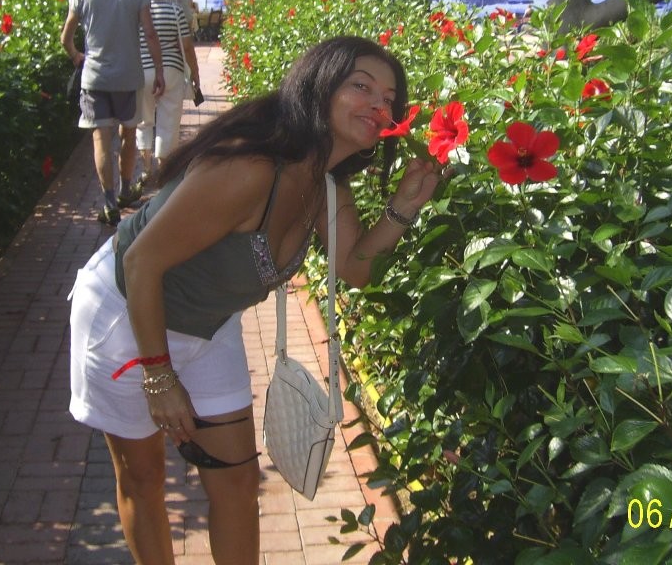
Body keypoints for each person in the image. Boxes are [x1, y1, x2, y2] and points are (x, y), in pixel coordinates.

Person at [68, 36, 444, 565]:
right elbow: (141, 263)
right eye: (361, 87)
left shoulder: (326, 184)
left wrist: (404, 206)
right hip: (127, 315)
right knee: (143, 477)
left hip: (210, 326)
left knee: (238, 482)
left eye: (389, 99)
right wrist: (159, 378)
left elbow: (355, 269)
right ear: (319, 86)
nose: (379, 106)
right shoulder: (252, 167)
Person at [62, 0, 165, 225]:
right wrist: (158, 70)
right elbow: (150, 34)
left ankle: (109, 204)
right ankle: (124, 190)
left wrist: (76, 56)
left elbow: (66, 37)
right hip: (128, 77)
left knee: (101, 140)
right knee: (128, 135)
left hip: (94, 78)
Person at [135, 0, 201, 185]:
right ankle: (163, 169)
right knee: (168, 121)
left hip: (142, 70)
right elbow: (187, 47)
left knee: (143, 120)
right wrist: (195, 74)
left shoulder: (137, 13)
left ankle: (146, 168)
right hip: (172, 70)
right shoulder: (175, 11)